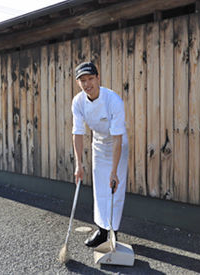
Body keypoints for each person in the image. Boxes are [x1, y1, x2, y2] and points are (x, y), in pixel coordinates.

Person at [71, 61, 129, 247]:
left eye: (90, 79)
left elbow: (118, 138)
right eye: (83, 80)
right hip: (98, 143)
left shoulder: (113, 100)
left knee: (114, 189)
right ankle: (102, 231)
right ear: (78, 83)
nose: (87, 84)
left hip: (117, 143)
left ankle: (113, 232)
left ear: (98, 78)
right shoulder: (78, 101)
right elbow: (77, 133)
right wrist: (79, 165)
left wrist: (114, 171)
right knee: (100, 190)